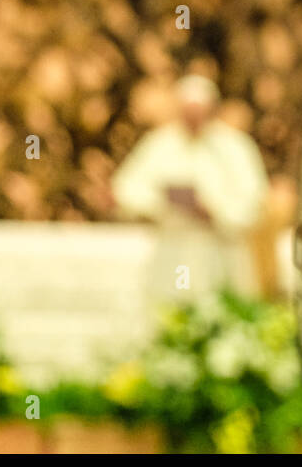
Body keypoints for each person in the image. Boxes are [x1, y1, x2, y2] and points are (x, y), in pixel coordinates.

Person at [111, 74, 269, 299]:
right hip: (174, 246)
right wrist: (161, 203)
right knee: (173, 311)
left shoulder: (235, 147)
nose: (193, 120)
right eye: (188, 113)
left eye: (199, 113)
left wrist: (215, 211)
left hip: (220, 247)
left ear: (212, 110)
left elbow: (254, 199)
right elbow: (126, 187)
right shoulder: (159, 144)